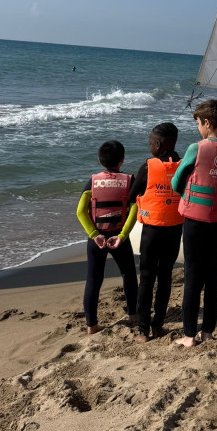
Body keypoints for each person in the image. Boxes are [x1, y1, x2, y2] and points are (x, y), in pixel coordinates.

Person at [171, 99, 217, 348]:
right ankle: (208, 332)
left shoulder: (196, 148)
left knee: (193, 275)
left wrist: (190, 197)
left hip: (196, 219)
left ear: (207, 123)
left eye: (199, 124)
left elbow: (176, 182)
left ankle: (189, 336)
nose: (198, 128)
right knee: (213, 274)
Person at [77, 140, 138, 335]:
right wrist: (122, 235)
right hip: (119, 237)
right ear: (122, 160)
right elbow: (135, 210)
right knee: (128, 275)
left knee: (93, 279)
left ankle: (91, 325)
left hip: (97, 239)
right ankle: (133, 315)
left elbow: (80, 212)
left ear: (100, 160)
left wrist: (94, 235)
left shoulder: (93, 181)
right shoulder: (129, 180)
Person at [130, 123, 183, 342]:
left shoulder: (148, 166)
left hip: (152, 230)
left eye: (150, 142)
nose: (149, 145)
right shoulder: (184, 165)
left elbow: (133, 195)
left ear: (159, 144)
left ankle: (143, 329)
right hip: (175, 228)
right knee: (165, 276)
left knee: (147, 277)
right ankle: (158, 325)